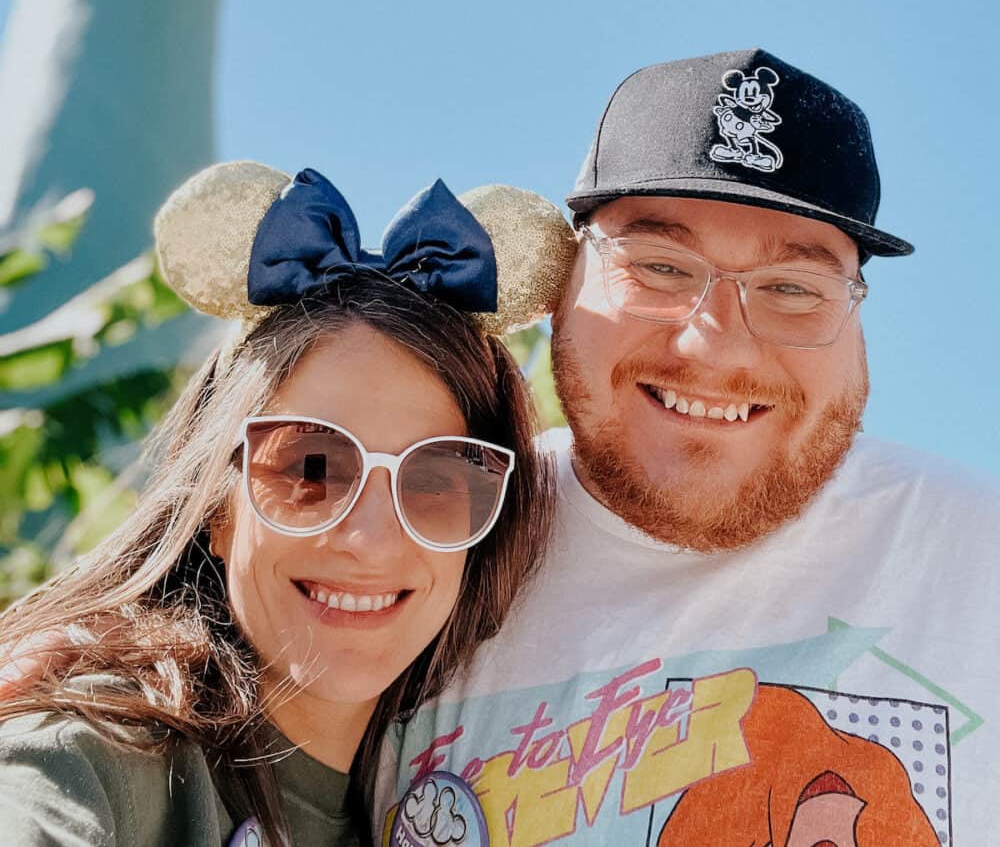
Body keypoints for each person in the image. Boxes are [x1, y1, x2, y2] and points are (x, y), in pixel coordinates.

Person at [376, 49, 1000, 847]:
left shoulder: (981, 562)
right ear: (557, 285)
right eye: (661, 267)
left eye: (792, 288)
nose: (717, 346)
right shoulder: (423, 531)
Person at [0, 161, 574, 845]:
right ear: (218, 506)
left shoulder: (461, 789)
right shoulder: (93, 754)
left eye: (433, 482)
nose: (370, 539)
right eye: (312, 468)